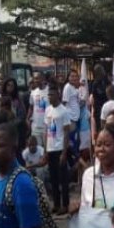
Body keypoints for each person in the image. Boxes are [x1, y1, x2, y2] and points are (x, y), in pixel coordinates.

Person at [45, 85, 72, 215]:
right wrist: (45, 148)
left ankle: (65, 204)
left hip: (60, 148)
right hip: (50, 148)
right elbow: (46, 130)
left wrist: (64, 152)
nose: (50, 97)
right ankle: (56, 204)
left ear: (58, 95)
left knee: (63, 179)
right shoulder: (48, 110)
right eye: (48, 95)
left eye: (52, 95)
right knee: (53, 178)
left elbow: (67, 132)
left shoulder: (64, 111)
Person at [27, 72, 49, 147]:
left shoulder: (49, 91)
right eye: (34, 78)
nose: (36, 80)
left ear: (43, 79)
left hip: (47, 126)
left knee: (47, 149)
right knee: (38, 149)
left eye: (37, 78)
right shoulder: (33, 93)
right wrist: (27, 119)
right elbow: (31, 107)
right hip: (35, 127)